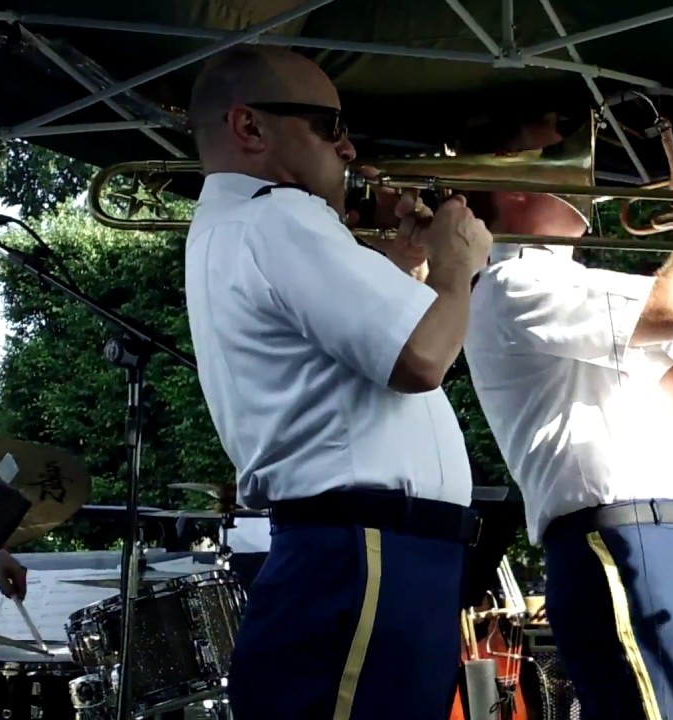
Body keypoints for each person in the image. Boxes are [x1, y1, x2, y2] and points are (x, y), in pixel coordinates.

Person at [462, 112, 673, 720]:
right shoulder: (515, 280)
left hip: (656, 535)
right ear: (510, 185)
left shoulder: (569, 282)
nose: (587, 177)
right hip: (617, 537)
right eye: (557, 157)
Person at [183, 45, 491, 720]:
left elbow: (365, 361)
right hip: (366, 550)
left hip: (369, 548)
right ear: (250, 128)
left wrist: (407, 262)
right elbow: (421, 359)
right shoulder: (278, 217)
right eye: (329, 125)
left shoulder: (253, 224)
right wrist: (456, 264)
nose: (348, 148)